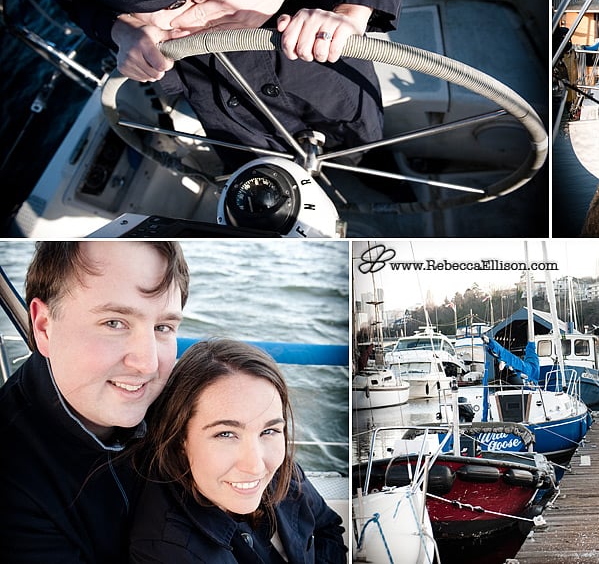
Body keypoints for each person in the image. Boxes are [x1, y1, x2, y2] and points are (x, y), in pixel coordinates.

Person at [14, 0, 411, 171]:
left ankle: (379, 171)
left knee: (364, 136)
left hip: (304, 38)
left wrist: (345, 7)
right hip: (204, 82)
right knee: (253, 166)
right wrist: (121, 31)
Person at [0, 241, 191, 563]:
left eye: (163, 327)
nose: (147, 363)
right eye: (114, 323)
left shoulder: (181, 403)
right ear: (44, 327)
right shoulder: (13, 484)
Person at [129, 338, 346, 562]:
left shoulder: (283, 473)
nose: (255, 466)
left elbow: (327, 528)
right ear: (180, 439)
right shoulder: (168, 551)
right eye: (226, 434)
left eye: (269, 431)